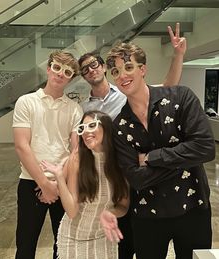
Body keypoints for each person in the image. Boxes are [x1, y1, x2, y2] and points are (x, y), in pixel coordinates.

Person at [78, 23, 187, 259]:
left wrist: (178, 55)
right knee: (116, 222)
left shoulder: (129, 90)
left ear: (103, 68)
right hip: (108, 169)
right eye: (84, 69)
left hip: (136, 165)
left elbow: (169, 86)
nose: (91, 70)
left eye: (94, 65)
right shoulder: (84, 108)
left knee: (133, 225)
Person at [101, 41, 216, 259]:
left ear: (142, 69)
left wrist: (153, 157)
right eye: (116, 71)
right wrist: (184, 158)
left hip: (193, 209)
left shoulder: (181, 98)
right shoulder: (120, 126)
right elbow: (136, 179)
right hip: (147, 217)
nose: (122, 75)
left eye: (128, 67)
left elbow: (205, 148)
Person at [12, 50, 83, 259]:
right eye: (57, 67)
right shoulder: (26, 102)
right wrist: (44, 183)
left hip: (63, 183)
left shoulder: (75, 109)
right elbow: (22, 146)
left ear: (71, 78)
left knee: (62, 245)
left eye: (67, 71)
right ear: (48, 68)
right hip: (30, 181)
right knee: (25, 244)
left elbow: (76, 150)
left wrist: (59, 182)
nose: (61, 74)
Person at [40, 110, 129, 259]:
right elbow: (72, 211)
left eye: (92, 125)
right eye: (82, 128)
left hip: (104, 238)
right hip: (73, 238)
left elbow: (123, 206)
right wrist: (60, 177)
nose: (86, 132)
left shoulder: (120, 162)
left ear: (106, 128)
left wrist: (111, 213)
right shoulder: (77, 159)